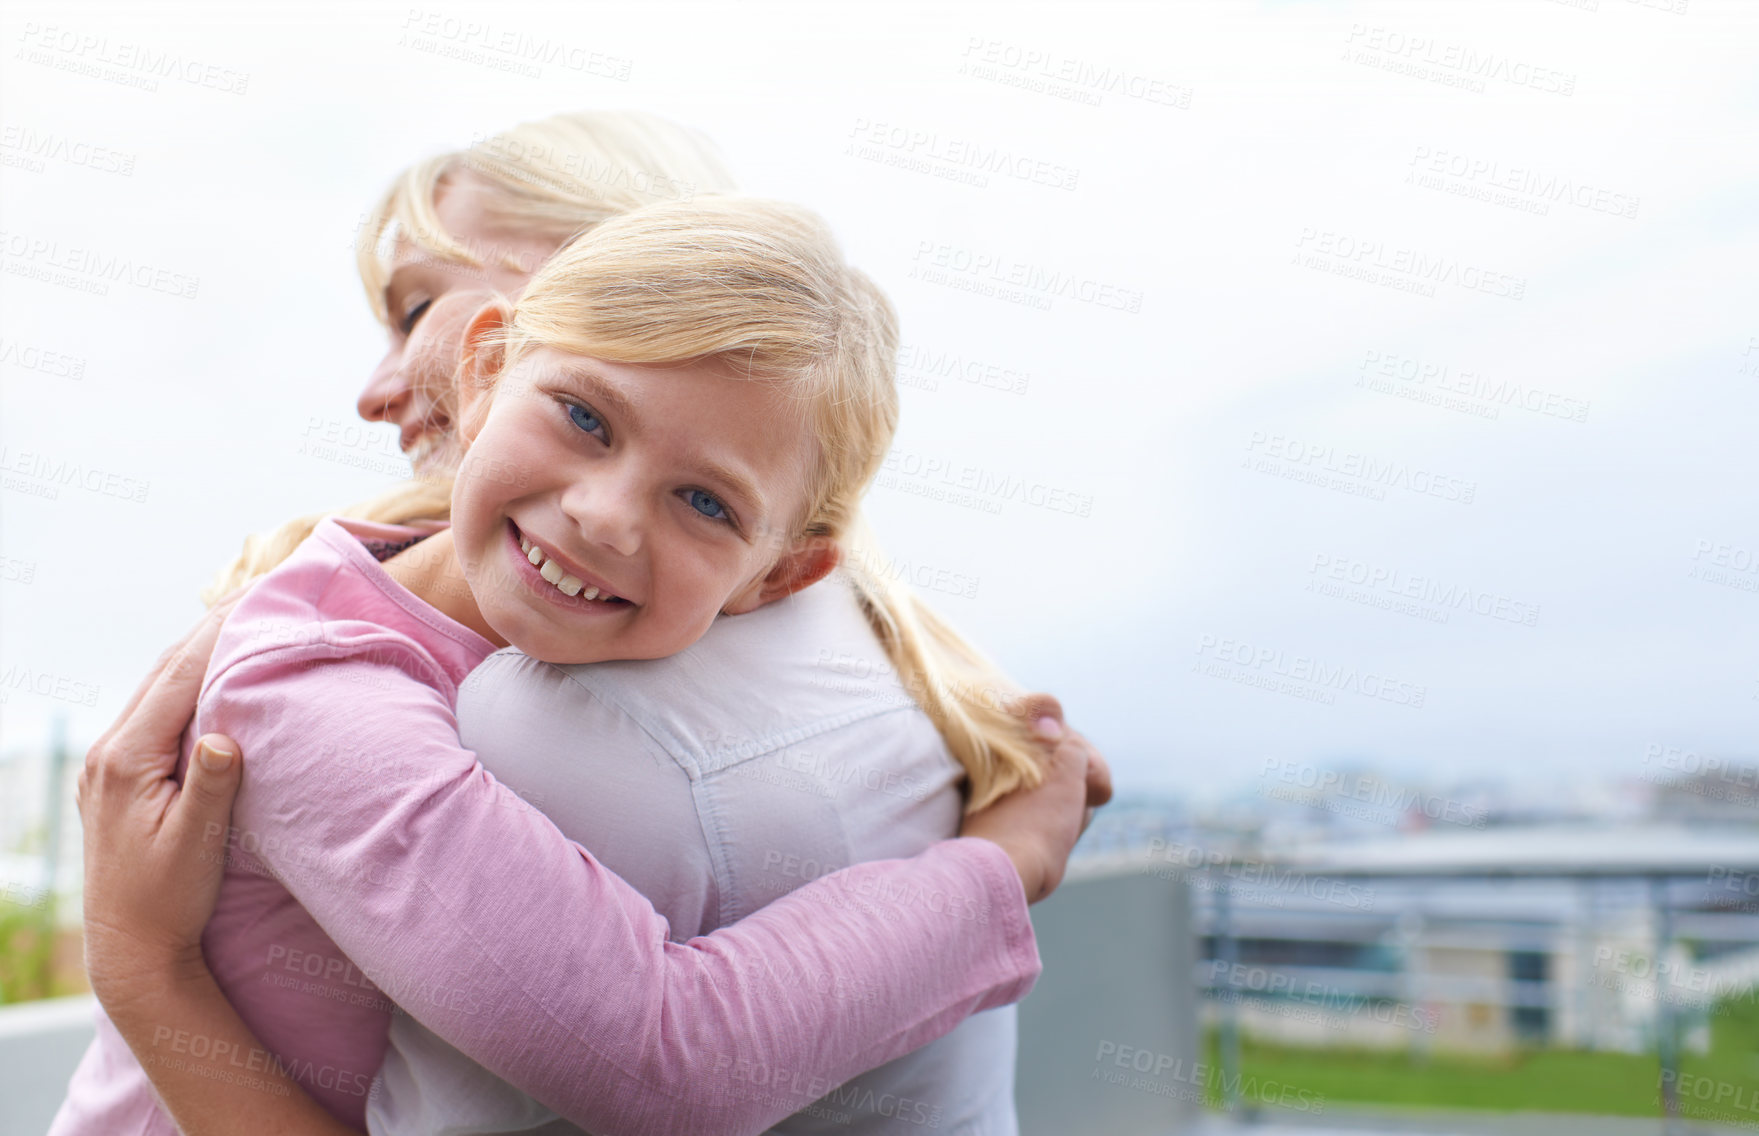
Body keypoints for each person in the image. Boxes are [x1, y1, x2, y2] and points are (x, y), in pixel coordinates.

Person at [59, 176, 1110, 1136]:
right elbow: (666, 1066)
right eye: (584, 416)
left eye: (704, 501)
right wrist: (1006, 861)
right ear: (482, 372)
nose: (605, 517)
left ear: (778, 581)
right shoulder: (315, 696)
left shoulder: (481, 596)